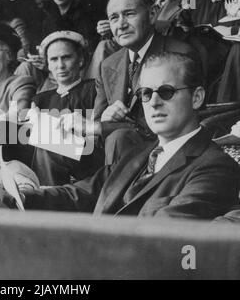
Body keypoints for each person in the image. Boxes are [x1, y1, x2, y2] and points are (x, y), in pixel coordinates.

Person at [16, 51, 240, 220]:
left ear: (197, 97)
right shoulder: (138, 155)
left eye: (166, 92)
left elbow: (164, 238)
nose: (153, 102)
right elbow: (80, 194)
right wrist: (21, 196)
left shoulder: (215, 167)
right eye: (146, 93)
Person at [59, 0, 196, 167]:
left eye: (129, 14)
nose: (121, 25)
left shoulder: (178, 55)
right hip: (109, 155)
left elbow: (173, 123)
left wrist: (102, 127)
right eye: (114, 18)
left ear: (153, 13)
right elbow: (97, 124)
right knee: (52, 137)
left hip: (156, 155)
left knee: (119, 137)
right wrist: (104, 119)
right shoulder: (108, 64)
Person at [30, 30, 104, 185]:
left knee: (46, 137)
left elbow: (96, 139)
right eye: (54, 60)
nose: (60, 65)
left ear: (81, 60)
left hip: (88, 163)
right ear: (48, 65)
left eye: (66, 57)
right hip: (50, 168)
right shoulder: (40, 100)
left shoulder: (93, 89)